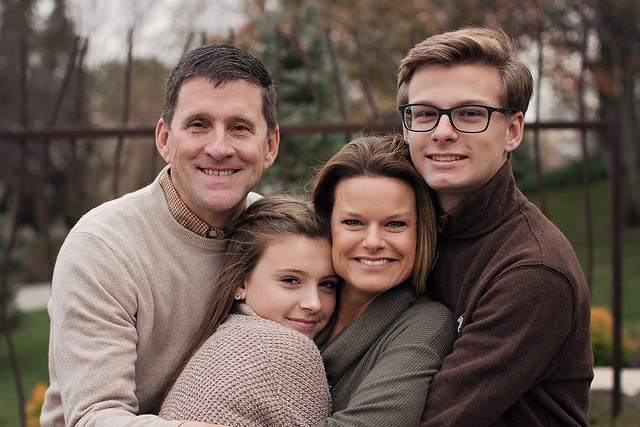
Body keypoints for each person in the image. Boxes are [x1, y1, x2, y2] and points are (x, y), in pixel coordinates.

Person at [41, 43, 280, 426]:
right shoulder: (103, 248)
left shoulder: (278, 238)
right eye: (198, 124)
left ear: (269, 146)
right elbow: (96, 417)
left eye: (239, 127)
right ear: (165, 139)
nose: (219, 148)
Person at [397, 26, 593, 426]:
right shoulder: (394, 235)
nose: (442, 132)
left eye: (470, 113)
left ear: (513, 130)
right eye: (425, 114)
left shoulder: (532, 270)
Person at [310, 134, 457, 426]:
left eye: (395, 224)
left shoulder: (427, 325)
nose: (374, 242)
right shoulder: (292, 298)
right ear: (327, 226)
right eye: (353, 222)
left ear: (421, 232)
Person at [158, 194, 337, 426]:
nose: (314, 303)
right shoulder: (285, 348)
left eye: (327, 284)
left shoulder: (226, 336)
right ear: (241, 282)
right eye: (290, 280)